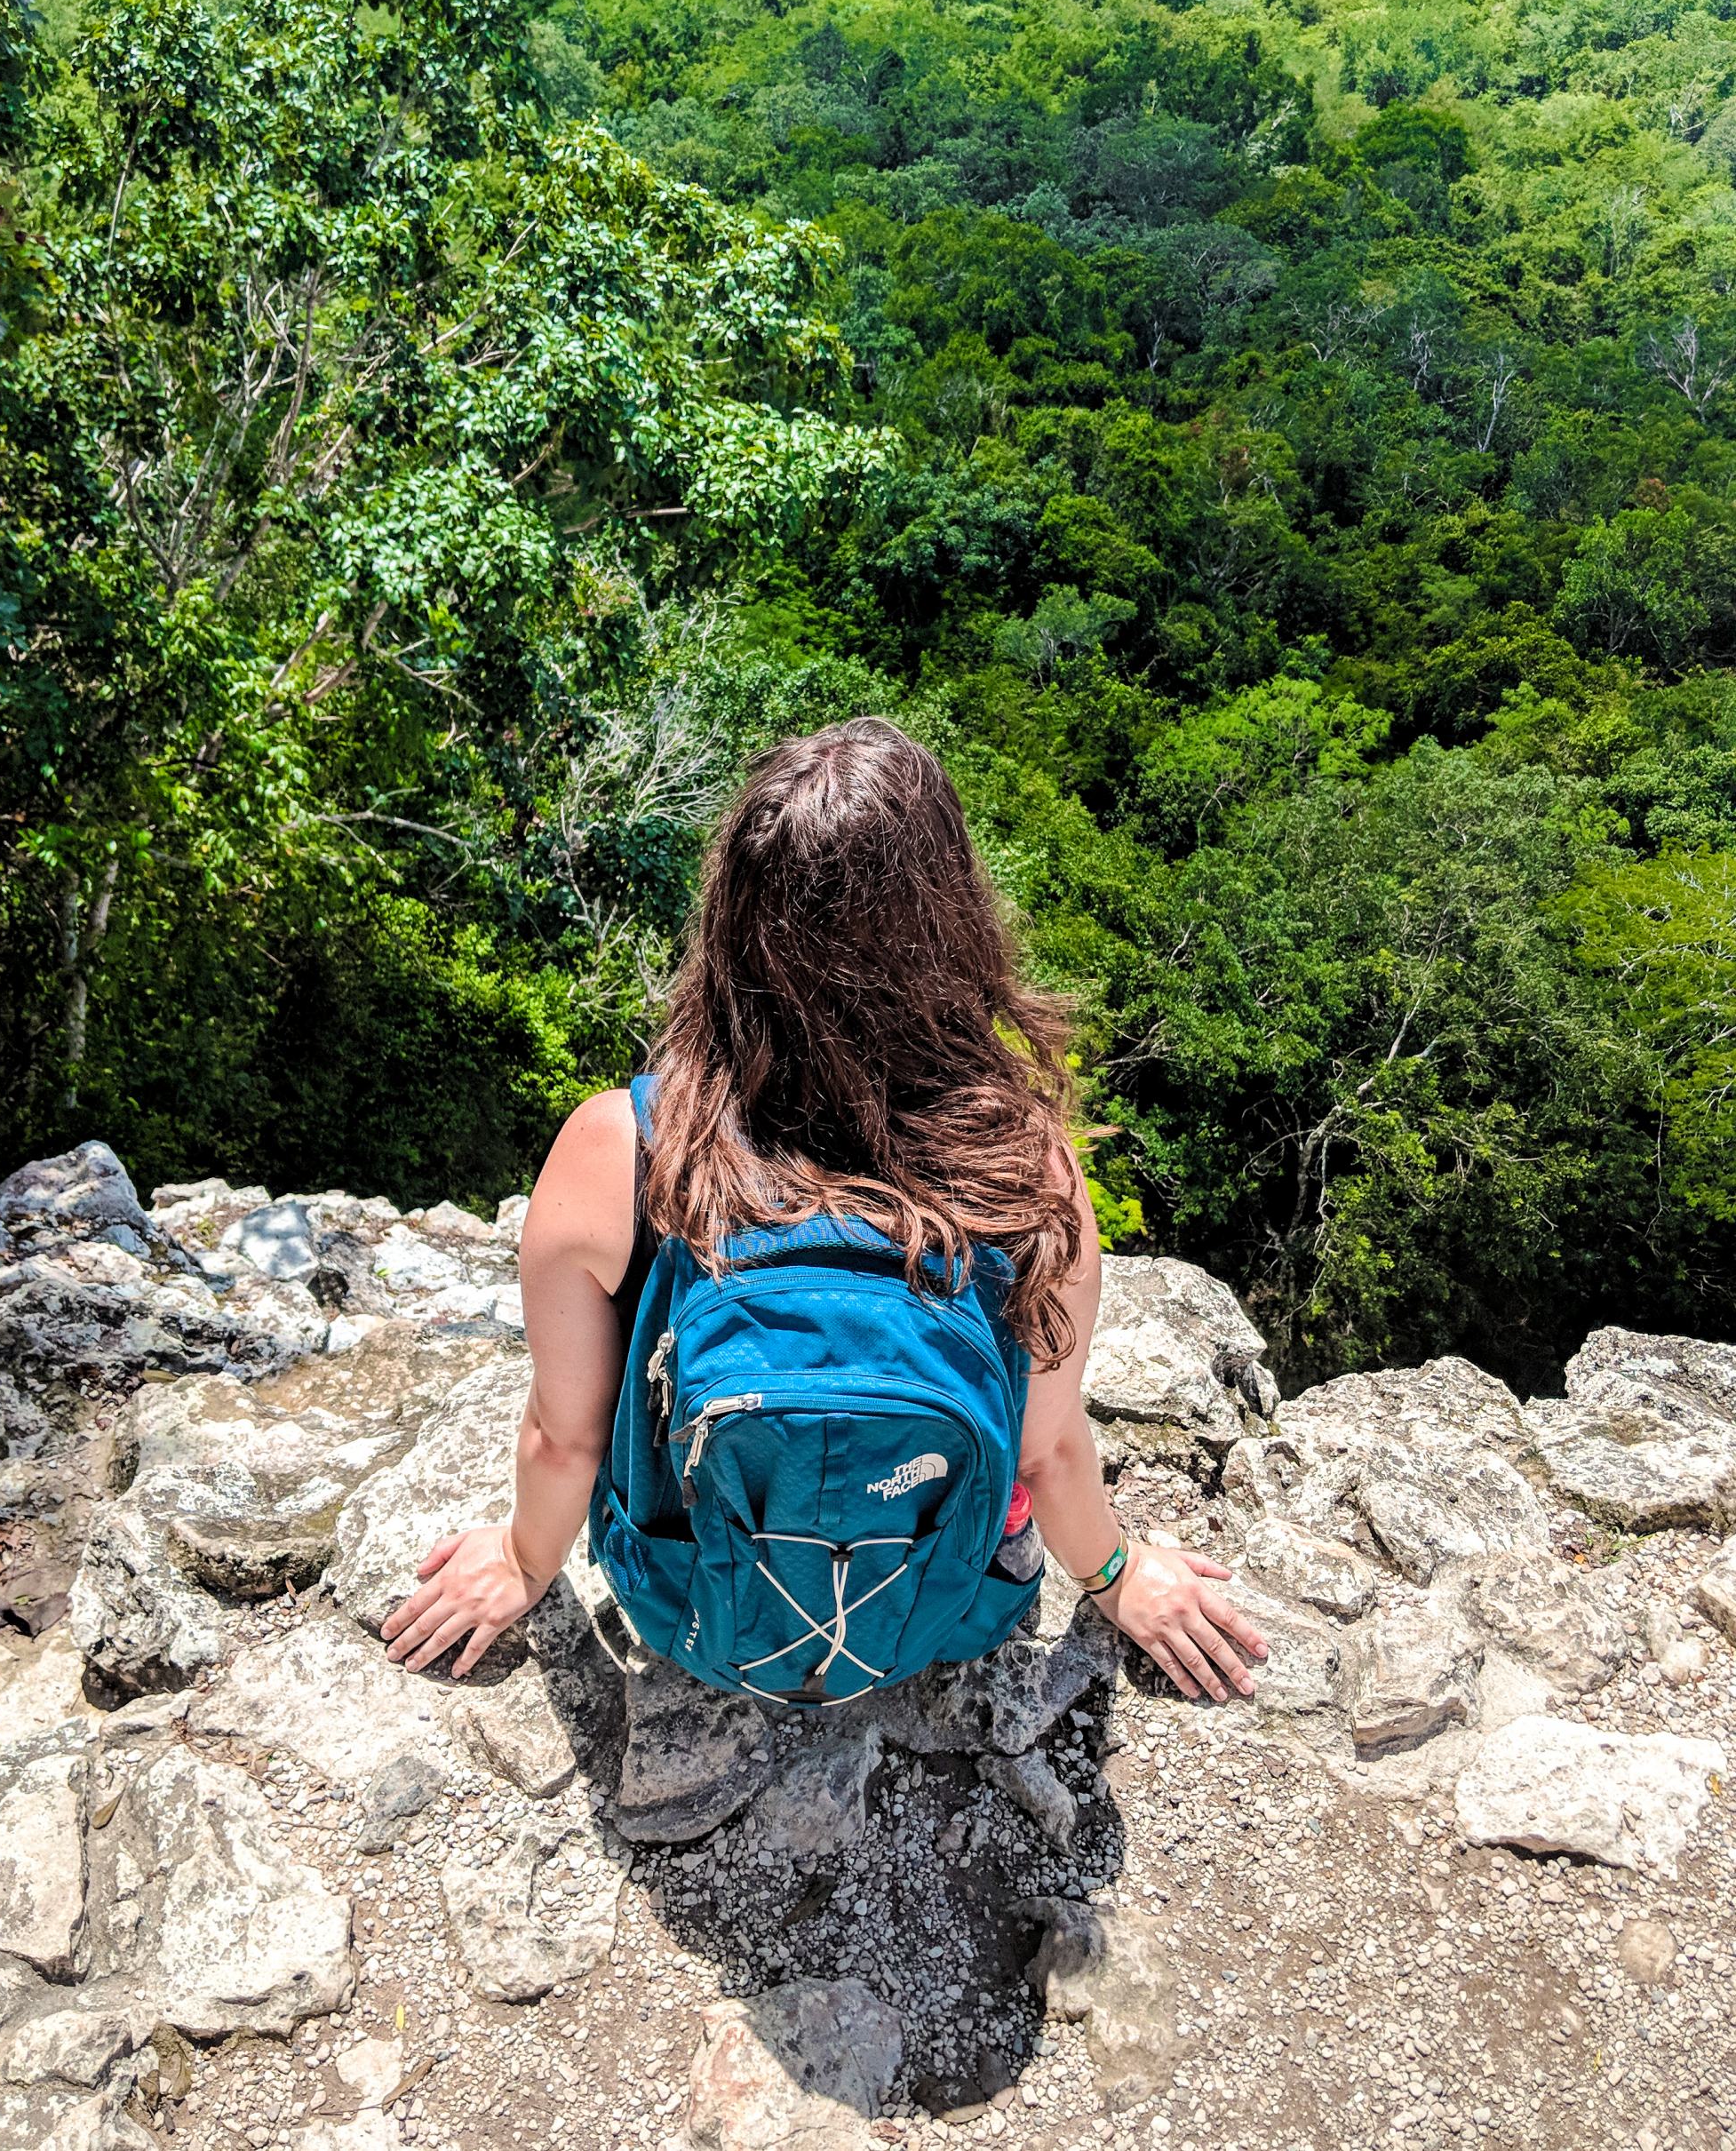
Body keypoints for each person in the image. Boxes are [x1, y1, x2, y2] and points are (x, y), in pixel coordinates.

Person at [381, 718, 1267, 1705]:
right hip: (947, 1611)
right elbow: (1045, 1450)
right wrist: (1113, 1574)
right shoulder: (1025, 1163)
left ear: (728, 918)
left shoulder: (619, 1148)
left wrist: (517, 1560)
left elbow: (565, 1437)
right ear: (956, 924)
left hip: (689, 1611)